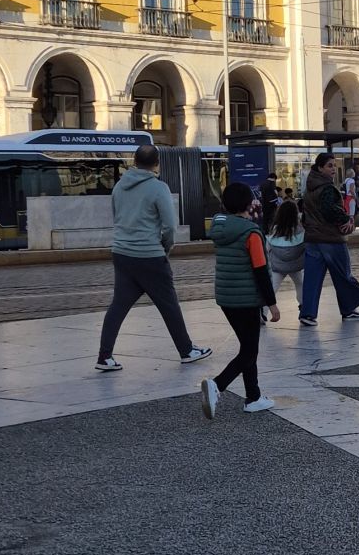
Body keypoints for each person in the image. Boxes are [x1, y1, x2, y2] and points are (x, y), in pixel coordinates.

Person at [95, 140, 211, 373]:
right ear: (157, 164)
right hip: (149, 255)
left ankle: (104, 356)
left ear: (134, 162)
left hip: (121, 253)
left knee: (118, 305)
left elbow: (116, 217)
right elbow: (170, 226)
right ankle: (186, 350)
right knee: (169, 304)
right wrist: (164, 248)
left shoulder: (119, 187)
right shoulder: (158, 188)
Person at [201, 181, 278, 419]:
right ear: (249, 203)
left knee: (248, 346)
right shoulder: (250, 232)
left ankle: (253, 397)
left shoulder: (220, 227)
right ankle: (217, 385)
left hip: (226, 298)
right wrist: (272, 304)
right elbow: (261, 271)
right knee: (249, 350)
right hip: (246, 300)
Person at [298, 152, 359, 326]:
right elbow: (330, 209)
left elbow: (306, 213)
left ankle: (307, 314)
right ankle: (348, 309)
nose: (333, 169)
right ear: (320, 167)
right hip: (330, 238)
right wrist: (347, 219)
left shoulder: (309, 187)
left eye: (333, 165)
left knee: (312, 278)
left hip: (313, 238)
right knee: (343, 275)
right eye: (329, 165)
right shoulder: (327, 188)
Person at [266, 195, 306, 306]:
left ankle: (262, 313)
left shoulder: (275, 229)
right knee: (301, 284)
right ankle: (304, 307)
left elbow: (267, 248)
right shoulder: (301, 229)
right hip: (296, 266)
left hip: (277, 267)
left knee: (272, 288)